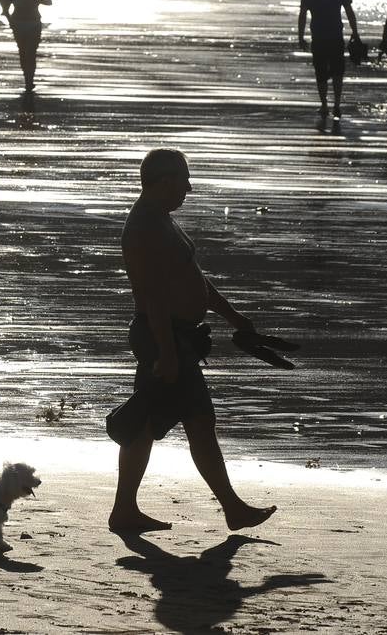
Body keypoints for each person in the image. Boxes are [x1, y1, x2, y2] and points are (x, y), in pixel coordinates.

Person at [107, 148, 280, 534]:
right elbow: (151, 295)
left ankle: (126, 511)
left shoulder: (162, 220)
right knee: (191, 421)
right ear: (164, 181)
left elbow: (193, 279)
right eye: (183, 179)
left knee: (151, 422)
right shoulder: (144, 226)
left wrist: (232, 315)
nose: (189, 186)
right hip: (163, 338)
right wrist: (167, 352)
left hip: (175, 338)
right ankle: (232, 508)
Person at [298, 0, 360, 123]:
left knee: (321, 71)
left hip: (318, 37)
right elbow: (349, 12)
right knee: (337, 71)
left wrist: (300, 36)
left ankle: (324, 104)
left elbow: (303, 16)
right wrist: (355, 32)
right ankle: (337, 104)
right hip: (335, 36)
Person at [0, 0, 52, 92]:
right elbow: (49, 2)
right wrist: (38, 0)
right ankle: (30, 80)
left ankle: (27, 78)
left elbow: (5, 10)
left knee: (22, 51)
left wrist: (11, 22)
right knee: (31, 52)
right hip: (33, 22)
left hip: (18, 23)